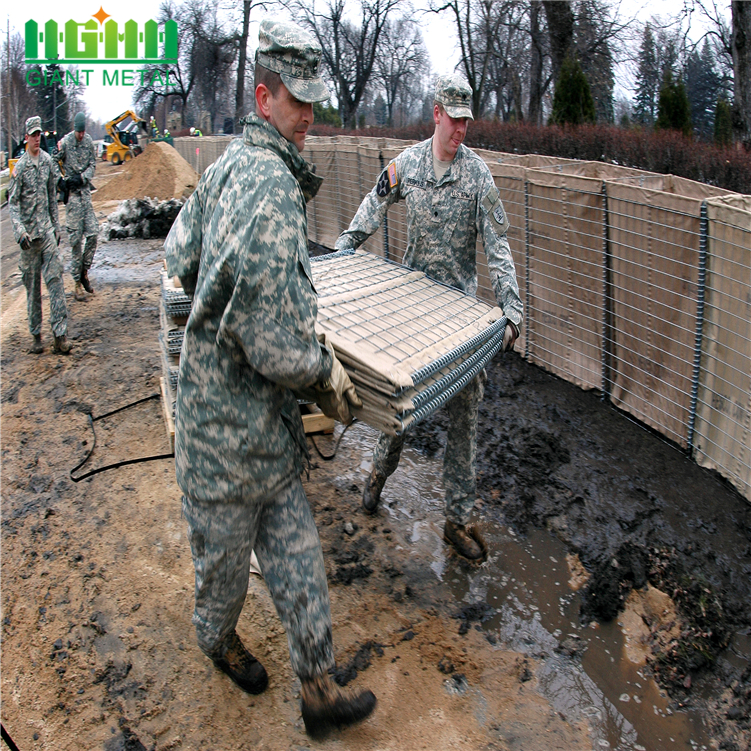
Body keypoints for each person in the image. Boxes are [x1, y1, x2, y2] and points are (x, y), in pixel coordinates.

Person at [164, 19, 376, 739]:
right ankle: (218, 640)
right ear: (263, 97)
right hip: (224, 447)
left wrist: (207, 314)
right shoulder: (267, 186)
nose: (310, 113)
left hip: (265, 439)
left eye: (315, 99)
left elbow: (180, 258)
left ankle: (317, 689)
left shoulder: (228, 165)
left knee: (297, 562)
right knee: (222, 579)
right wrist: (327, 377)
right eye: (296, 101)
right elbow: (273, 345)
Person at [335, 75, 523, 561]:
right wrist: (346, 248)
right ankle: (378, 476)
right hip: (410, 313)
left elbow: (498, 245)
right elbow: (374, 203)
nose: (461, 129)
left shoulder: (478, 176)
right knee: (400, 412)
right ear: (436, 113)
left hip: (457, 316)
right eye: (454, 119)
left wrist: (512, 308)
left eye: (466, 121)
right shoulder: (408, 166)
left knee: (465, 417)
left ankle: (457, 519)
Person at [9, 116, 71, 355]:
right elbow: (13, 204)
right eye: (33, 135)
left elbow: (52, 198)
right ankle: (36, 334)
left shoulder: (47, 162)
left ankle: (60, 335)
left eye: (39, 135)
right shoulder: (21, 167)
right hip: (29, 240)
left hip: (46, 233)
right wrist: (19, 230)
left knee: (55, 280)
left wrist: (56, 227)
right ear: (26, 137)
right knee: (33, 288)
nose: (37, 139)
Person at [57, 111, 98, 300]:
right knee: (75, 242)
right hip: (73, 199)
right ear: (75, 129)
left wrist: (82, 177)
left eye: (83, 132)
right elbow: (52, 160)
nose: (81, 135)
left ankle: (84, 273)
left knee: (93, 235)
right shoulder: (65, 143)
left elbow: (92, 163)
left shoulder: (88, 142)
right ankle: (76, 284)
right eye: (78, 132)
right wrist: (61, 181)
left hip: (85, 195)